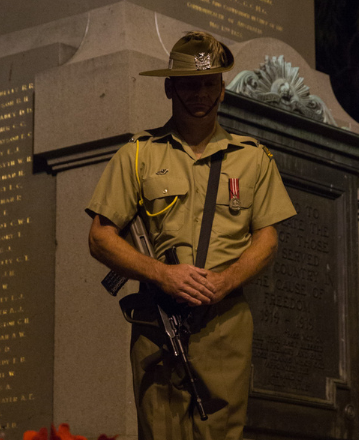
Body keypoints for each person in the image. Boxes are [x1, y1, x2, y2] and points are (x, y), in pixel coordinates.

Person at [86, 31, 296, 440]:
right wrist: (161, 275)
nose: (199, 93)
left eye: (208, 83)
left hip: (224, 324)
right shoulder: (139, 154)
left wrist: (224, 281)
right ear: (169, 87)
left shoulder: (253, 158)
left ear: (222, 89)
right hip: (158, 318)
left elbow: (267, 240)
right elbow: (100, 236)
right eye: (189, 84)